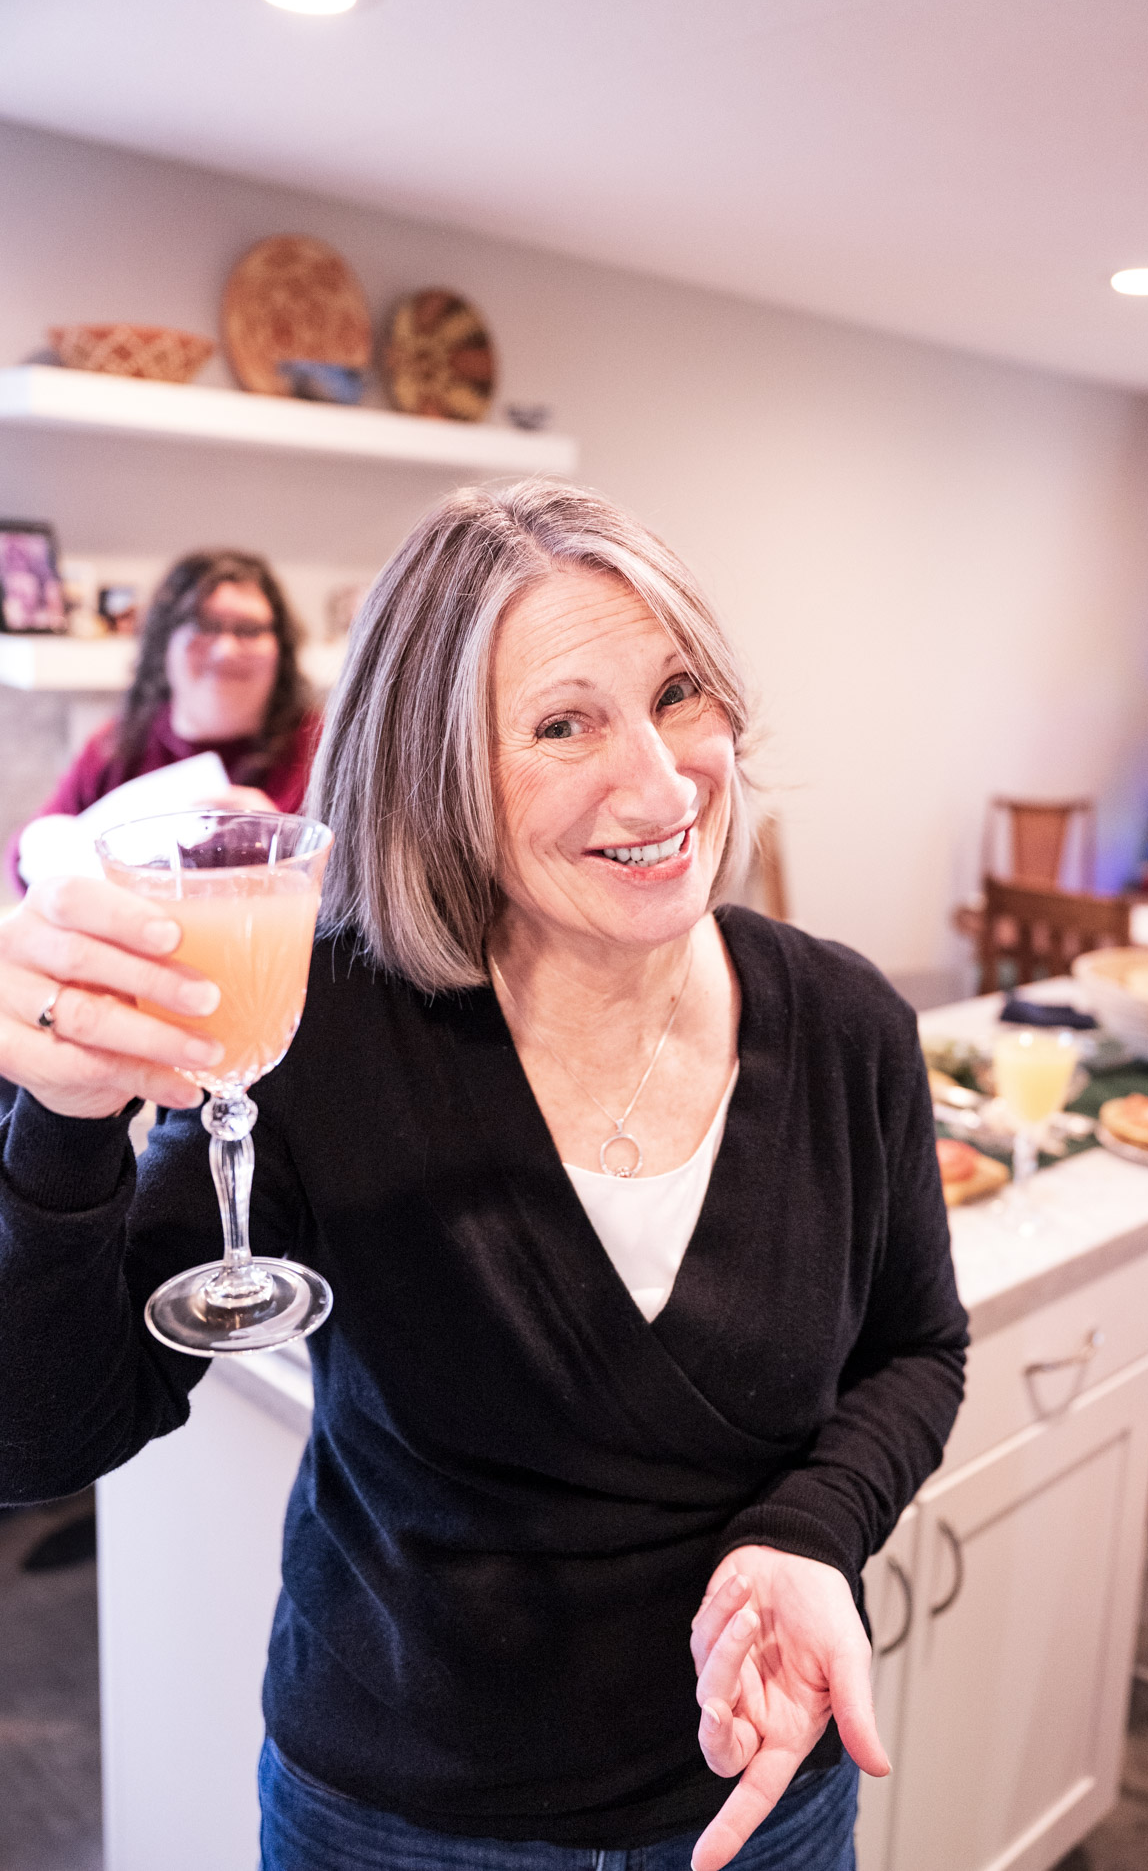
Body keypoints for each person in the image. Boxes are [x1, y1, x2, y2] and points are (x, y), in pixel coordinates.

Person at [0, 482, 967, 1871]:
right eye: (563, 723)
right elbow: (39, 1434)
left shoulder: (847, 1025)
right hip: (401, 1824)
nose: (657, 781)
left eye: (679, 692)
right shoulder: (327, 1031)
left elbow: (917, 1349)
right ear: (432, 771)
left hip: (758, 1801)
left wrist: (812, 1533)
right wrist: (62, 1120)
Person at [5, 549, 321, 892]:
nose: (226, 650)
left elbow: (363, 899)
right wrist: (42, 849)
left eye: (249, 630)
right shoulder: (119, 745)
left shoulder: (321, 750)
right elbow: (29, 855)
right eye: (204, 625)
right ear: (163, 645)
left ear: (281, 648)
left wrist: (292, 845)